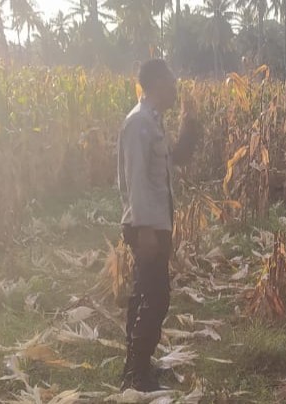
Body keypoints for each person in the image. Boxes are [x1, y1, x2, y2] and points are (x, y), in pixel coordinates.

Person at [117, 59, 200, 391]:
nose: (175, 88)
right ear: (154, 84)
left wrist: (191, 127)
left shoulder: (154, 122)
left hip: (156, 221)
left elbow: (174, 159)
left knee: (144, 295)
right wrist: (145, 229)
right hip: (146, 224)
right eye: (171, 82)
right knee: (156, 297)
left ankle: (136, 367)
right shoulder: (138, 124)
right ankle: (136, 374)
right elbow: (136, 179)